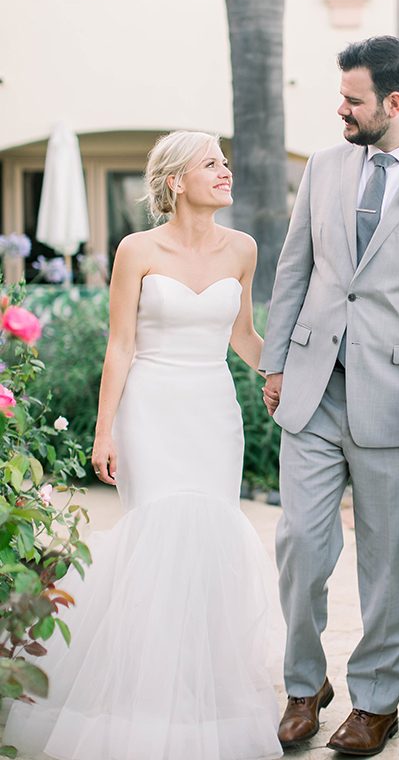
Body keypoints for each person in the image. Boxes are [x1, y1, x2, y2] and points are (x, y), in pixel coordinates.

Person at [3, 131, 283, 760]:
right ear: (176, 181)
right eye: (211, 163)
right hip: (150, 410)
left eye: (225, 161)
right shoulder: (136, 249)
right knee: (158, 537)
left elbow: (243, 335)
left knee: (210, 541)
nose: (226, 170)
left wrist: (283, 372)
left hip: (213, 412)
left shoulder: (243, 248)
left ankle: (200, 697)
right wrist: (105, 429)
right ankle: (140, 702)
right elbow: (121, 346)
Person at [259, 36, 399, 756]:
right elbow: (295, 268)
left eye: (353, 98)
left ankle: (377, 701)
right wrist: (274, 361)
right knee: (300, 544)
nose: (341, 108)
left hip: (396, 397)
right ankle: (304, 686)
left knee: (388, 558)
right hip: (313, 389)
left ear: (393, 102)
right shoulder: (324, 169)